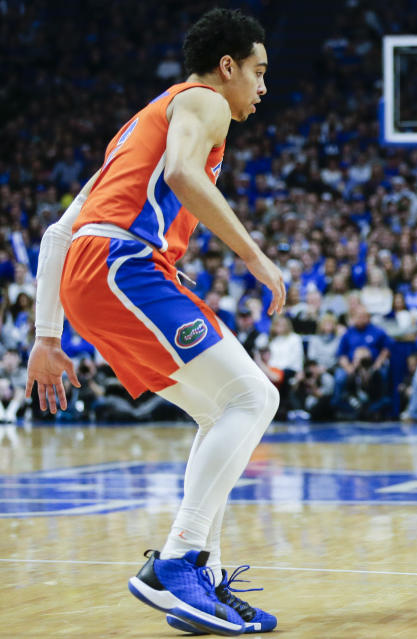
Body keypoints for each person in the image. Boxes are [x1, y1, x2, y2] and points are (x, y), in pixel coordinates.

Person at [24, 9, 281, 635]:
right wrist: (255, 256)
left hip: (97, 272)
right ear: (228, 67)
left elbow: (60, 232)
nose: (263, 87)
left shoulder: (140, 123)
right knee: (256, 397)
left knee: (221, 412)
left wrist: (46, 337)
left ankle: (205, 582)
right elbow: (183, 175)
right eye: (258, 71)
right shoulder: (203, 100)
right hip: (122, 265)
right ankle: (176, 562)